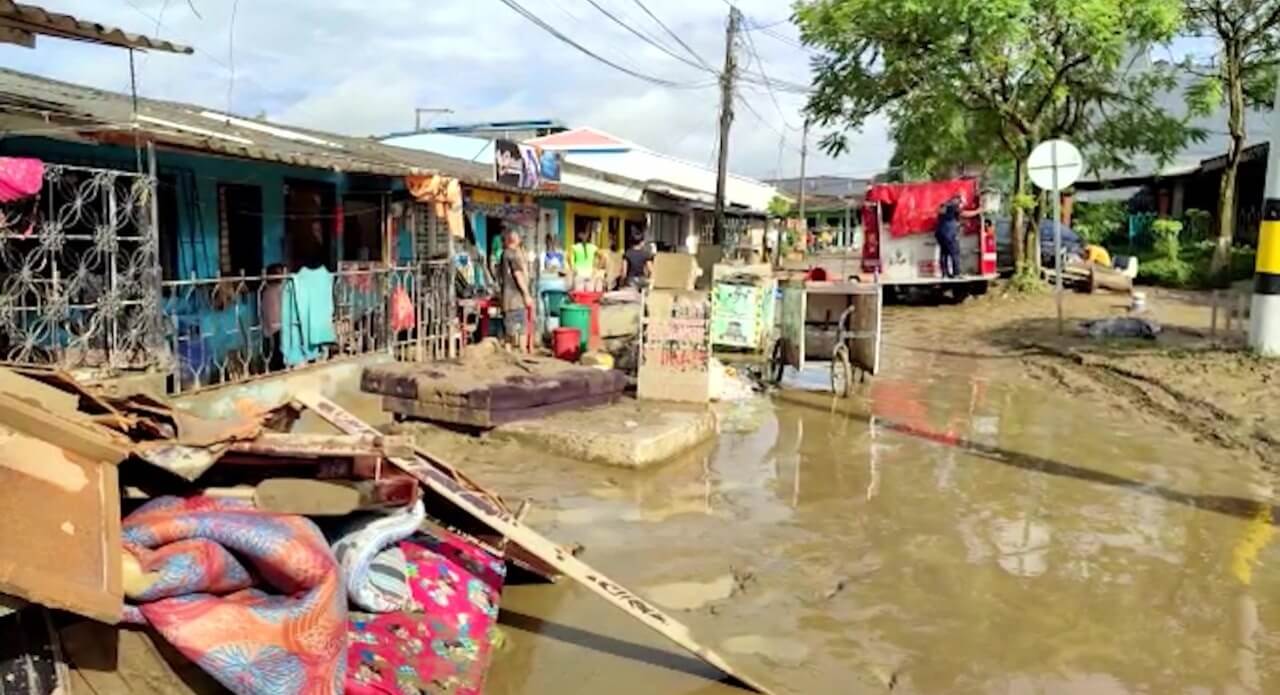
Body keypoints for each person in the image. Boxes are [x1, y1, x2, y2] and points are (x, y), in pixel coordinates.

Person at [499, 230, 534, 352]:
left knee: (509, 329)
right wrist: (527, 294)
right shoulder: (511, 255)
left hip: (507, 298)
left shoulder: (505, 254)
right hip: (515, 297)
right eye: (519, 237)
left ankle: (509, 355)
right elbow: (518, 275)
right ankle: (522, 352)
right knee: (521, 328)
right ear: (514, 240)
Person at [936, 194, 980, 279]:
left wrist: (959, 224)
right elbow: (964, 214)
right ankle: (957, 273)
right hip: (949, 234)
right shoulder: (953, 205)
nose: (961, 205)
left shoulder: (944, 205)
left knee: (944, 253)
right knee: (955, 252)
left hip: (940, 233)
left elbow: (948, 219)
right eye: (961, 202)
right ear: (957, 200)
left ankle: (945, 274)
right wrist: (978, 211)